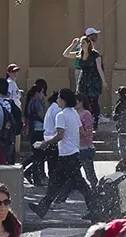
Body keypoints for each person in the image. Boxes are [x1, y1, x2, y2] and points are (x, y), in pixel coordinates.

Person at [33, 89, 94, 218]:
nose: (57, 101)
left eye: (59, 98)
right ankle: (42, 207)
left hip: (67, 155)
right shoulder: (74, 113)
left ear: (64, 100)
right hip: (73, 153)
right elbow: (79, 131)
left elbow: (60, 135)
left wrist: (46, 143)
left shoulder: (61, 115)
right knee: (58, 182)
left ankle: (96, 210)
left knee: (78, 184)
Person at [63, 28, 106, 123]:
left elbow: (99, 68)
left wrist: (103, 81)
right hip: (84, 80)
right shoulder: (80, 54)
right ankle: (84, 120)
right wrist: (73, 44)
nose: (81, 45)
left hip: (94, 81)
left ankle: (95, 122)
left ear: (88, 44)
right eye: (81, 43)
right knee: (82, 101)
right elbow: (65, 54)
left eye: (83, 43)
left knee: (94, 102)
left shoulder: (95, 55)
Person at [23, 82, 50, 182]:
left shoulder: (30, 101)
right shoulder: (37, 102)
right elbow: (41, 115)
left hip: (33, 130)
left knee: (37, 154)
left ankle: (27, 169)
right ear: (38, 93)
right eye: (42, 93)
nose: (43, 95)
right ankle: (35, 176)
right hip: (38, 130)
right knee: (39, 156)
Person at [77, 93, 98, 188]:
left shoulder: (86, 114)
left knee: (90, 174)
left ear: (81, 102)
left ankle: (97, 190)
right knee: (73, 173)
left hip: (85, 148)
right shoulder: (74, 113)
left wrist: (79, 129)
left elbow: (88, 133)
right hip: (76, 147)